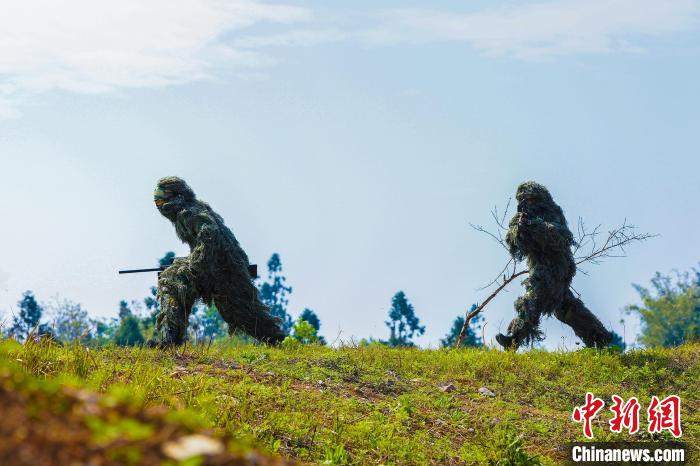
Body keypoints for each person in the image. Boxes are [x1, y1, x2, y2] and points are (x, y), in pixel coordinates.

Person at [151, 176, 284, 347]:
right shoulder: (195, 209)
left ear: (176, 196)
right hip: (224, 267)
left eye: (162, 200)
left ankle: (170, 339)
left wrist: (193, 263)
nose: (160, 206)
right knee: (241, 312)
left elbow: (210, 234)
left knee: (172, 282)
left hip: (222, 269)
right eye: (157, 202)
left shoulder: (188, 213)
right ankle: (278, 340)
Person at [495, 181, 613, 350]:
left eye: (529, 198)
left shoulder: (552, 212)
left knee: (532, 298)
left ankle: (514, 339)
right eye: (522, 199)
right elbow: (515, 247)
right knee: (565, 307)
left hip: (558, 266)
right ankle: (599, 338)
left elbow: (562, 237)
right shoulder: (520, 217)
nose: (525, 203)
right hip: (540, 266)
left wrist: (536, 225)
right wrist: (520, 230)